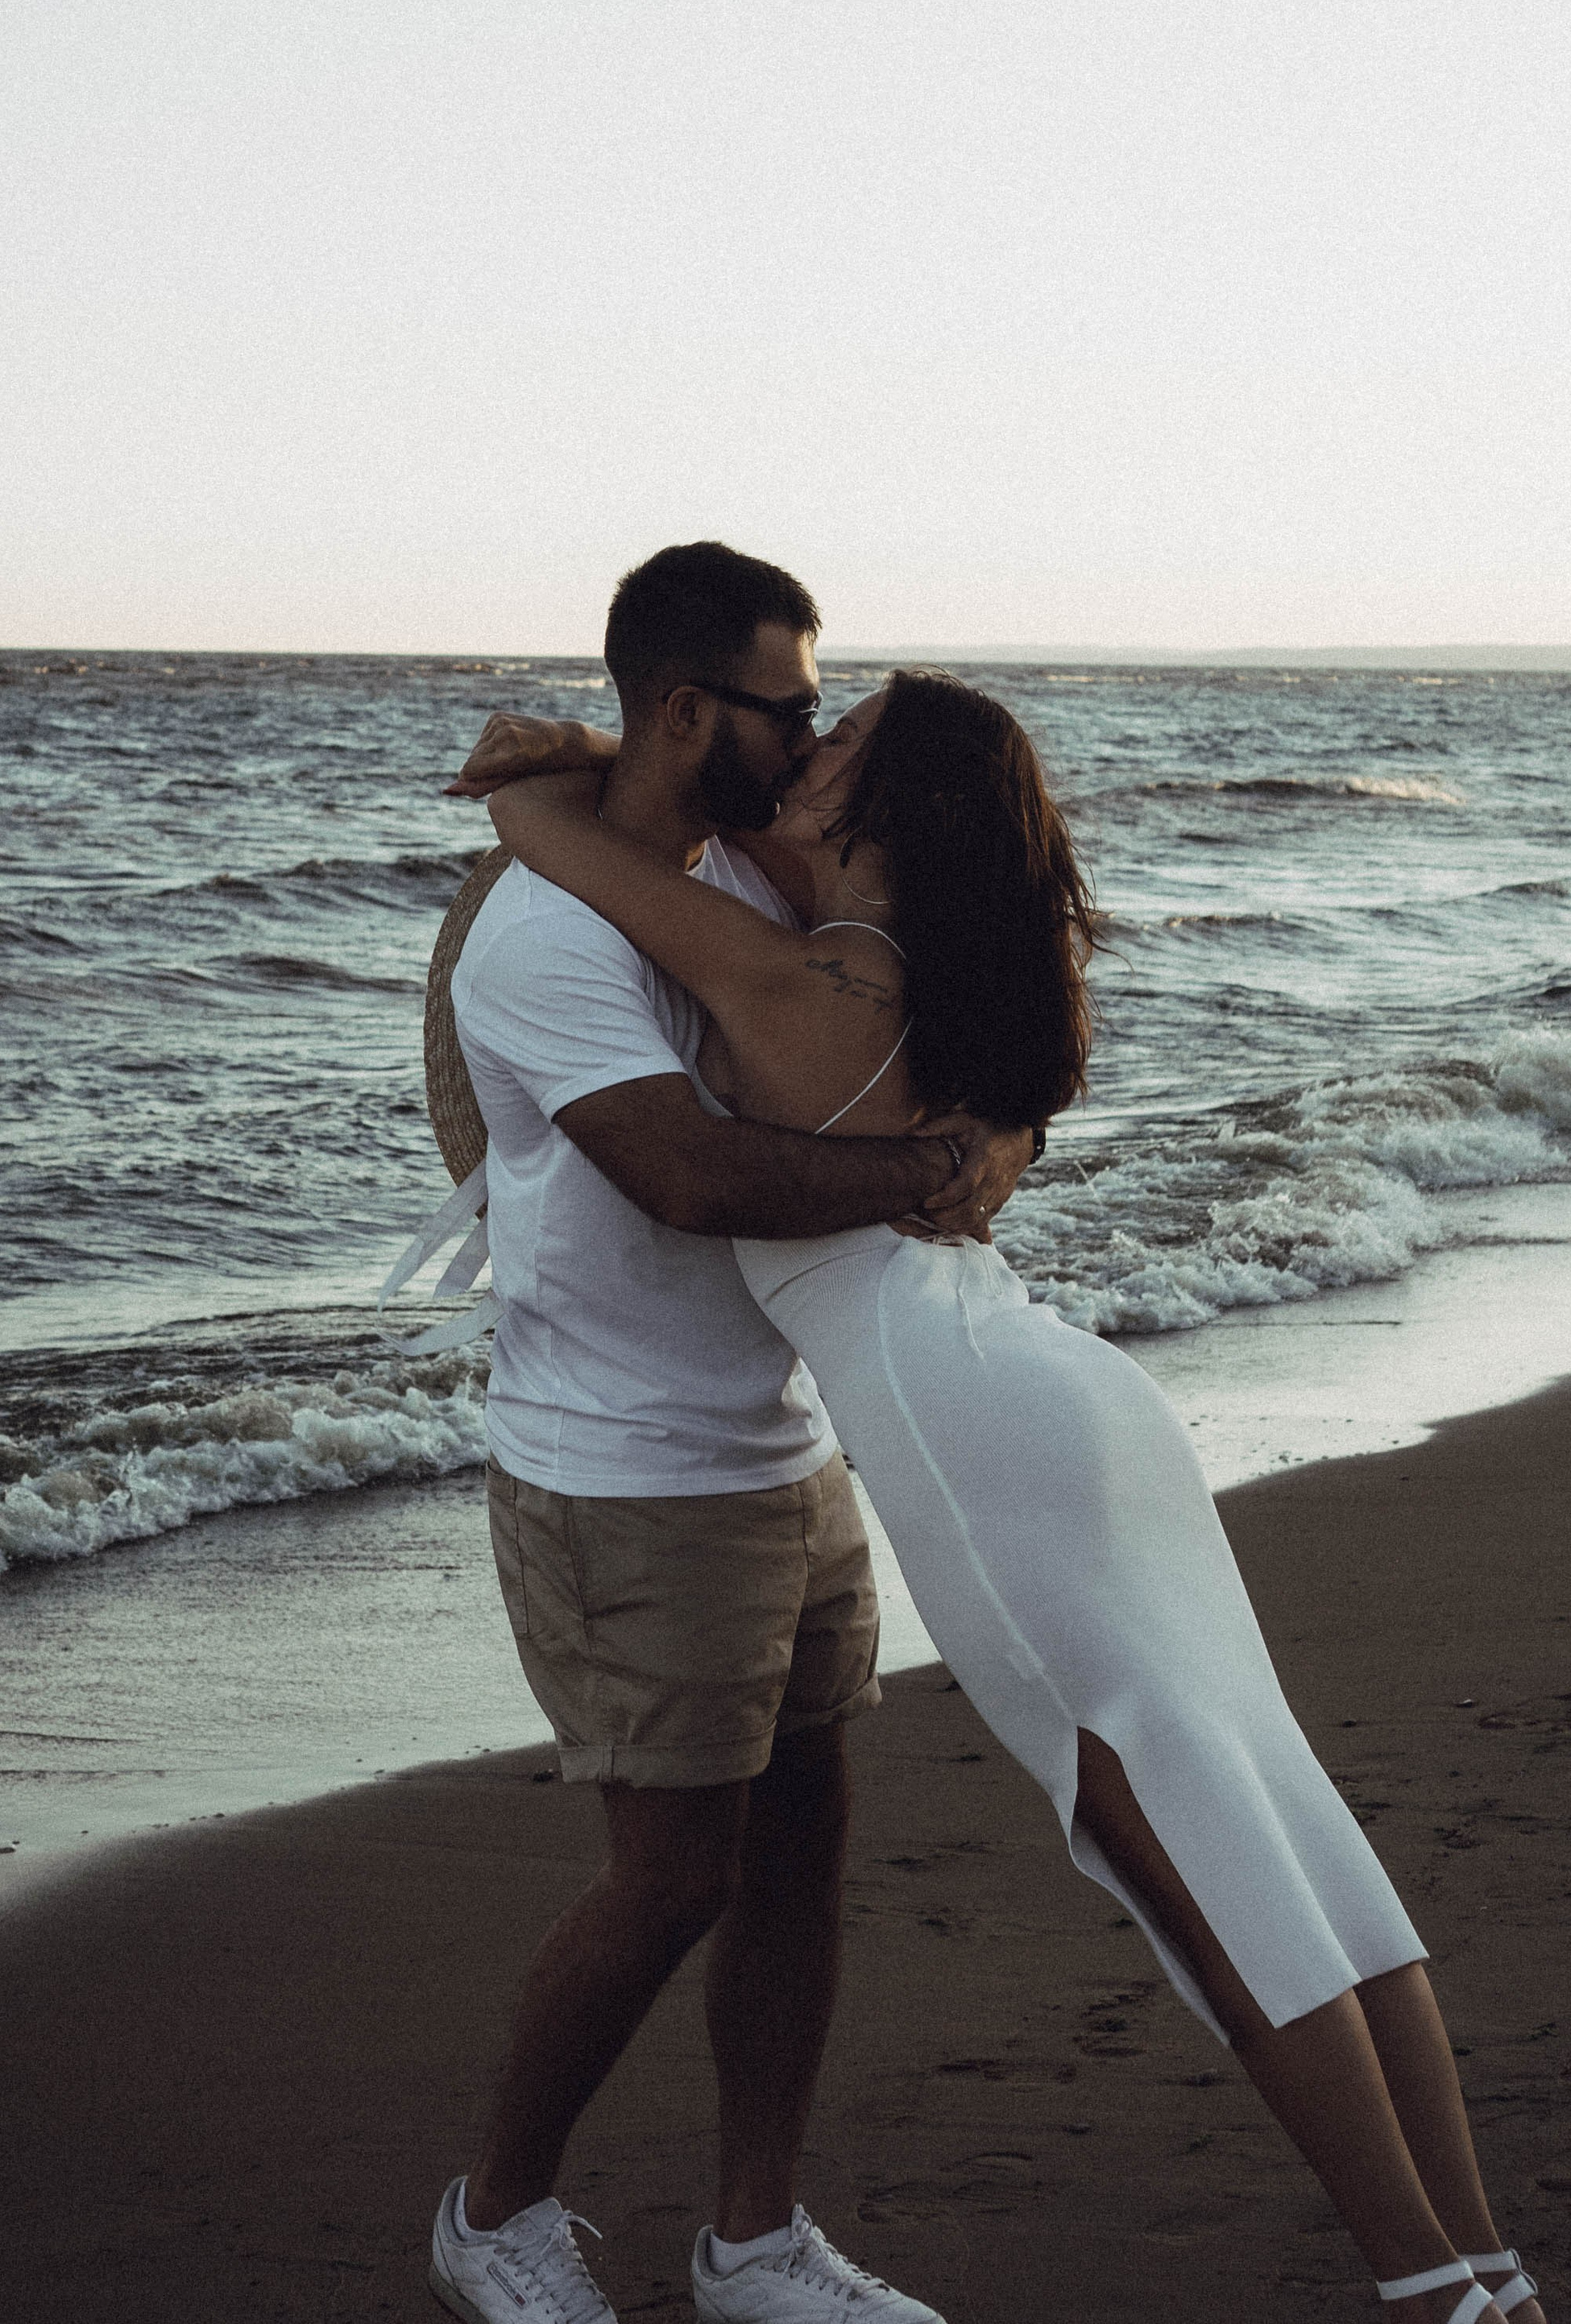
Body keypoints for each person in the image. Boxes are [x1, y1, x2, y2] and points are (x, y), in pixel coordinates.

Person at [460, 665, 1548, 2324]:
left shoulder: (797, 978)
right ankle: (1476, 2269)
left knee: (1190, 1866)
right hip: (1062, 1402)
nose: (799, 759)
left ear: (871, 814)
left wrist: (537, 792)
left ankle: (1431, 2292)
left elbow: (596, 878)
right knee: (1274, 1819)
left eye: (830, 746)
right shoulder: (944, 972)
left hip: (981, 1445)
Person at [431, 545, 1037, 2324]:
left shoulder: (763, 881)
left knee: (798, 1851)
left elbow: (927, 1029)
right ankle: (494, 2212)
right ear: (691, 709)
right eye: (791, 702)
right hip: (617, 1470)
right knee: (669, 1877)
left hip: (782, 1446)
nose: (817, 729)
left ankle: (755, 2239)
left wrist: (976, 1135)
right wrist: (933, 1181)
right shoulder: (543, 934)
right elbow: (682, 1173)